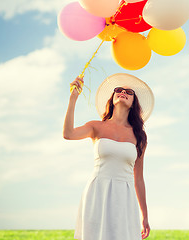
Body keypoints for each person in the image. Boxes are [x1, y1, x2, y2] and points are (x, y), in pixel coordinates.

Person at [63, 73, 155, 240]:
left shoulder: (139, 136)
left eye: (129, 92)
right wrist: (73, 98)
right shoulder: (96, 126)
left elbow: (139, 179)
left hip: (124, 196)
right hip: (97, 191)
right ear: (112, 97)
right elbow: (68, 134)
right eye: (119, 90)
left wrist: (145, 215)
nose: (123, 92)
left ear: (134, 102)